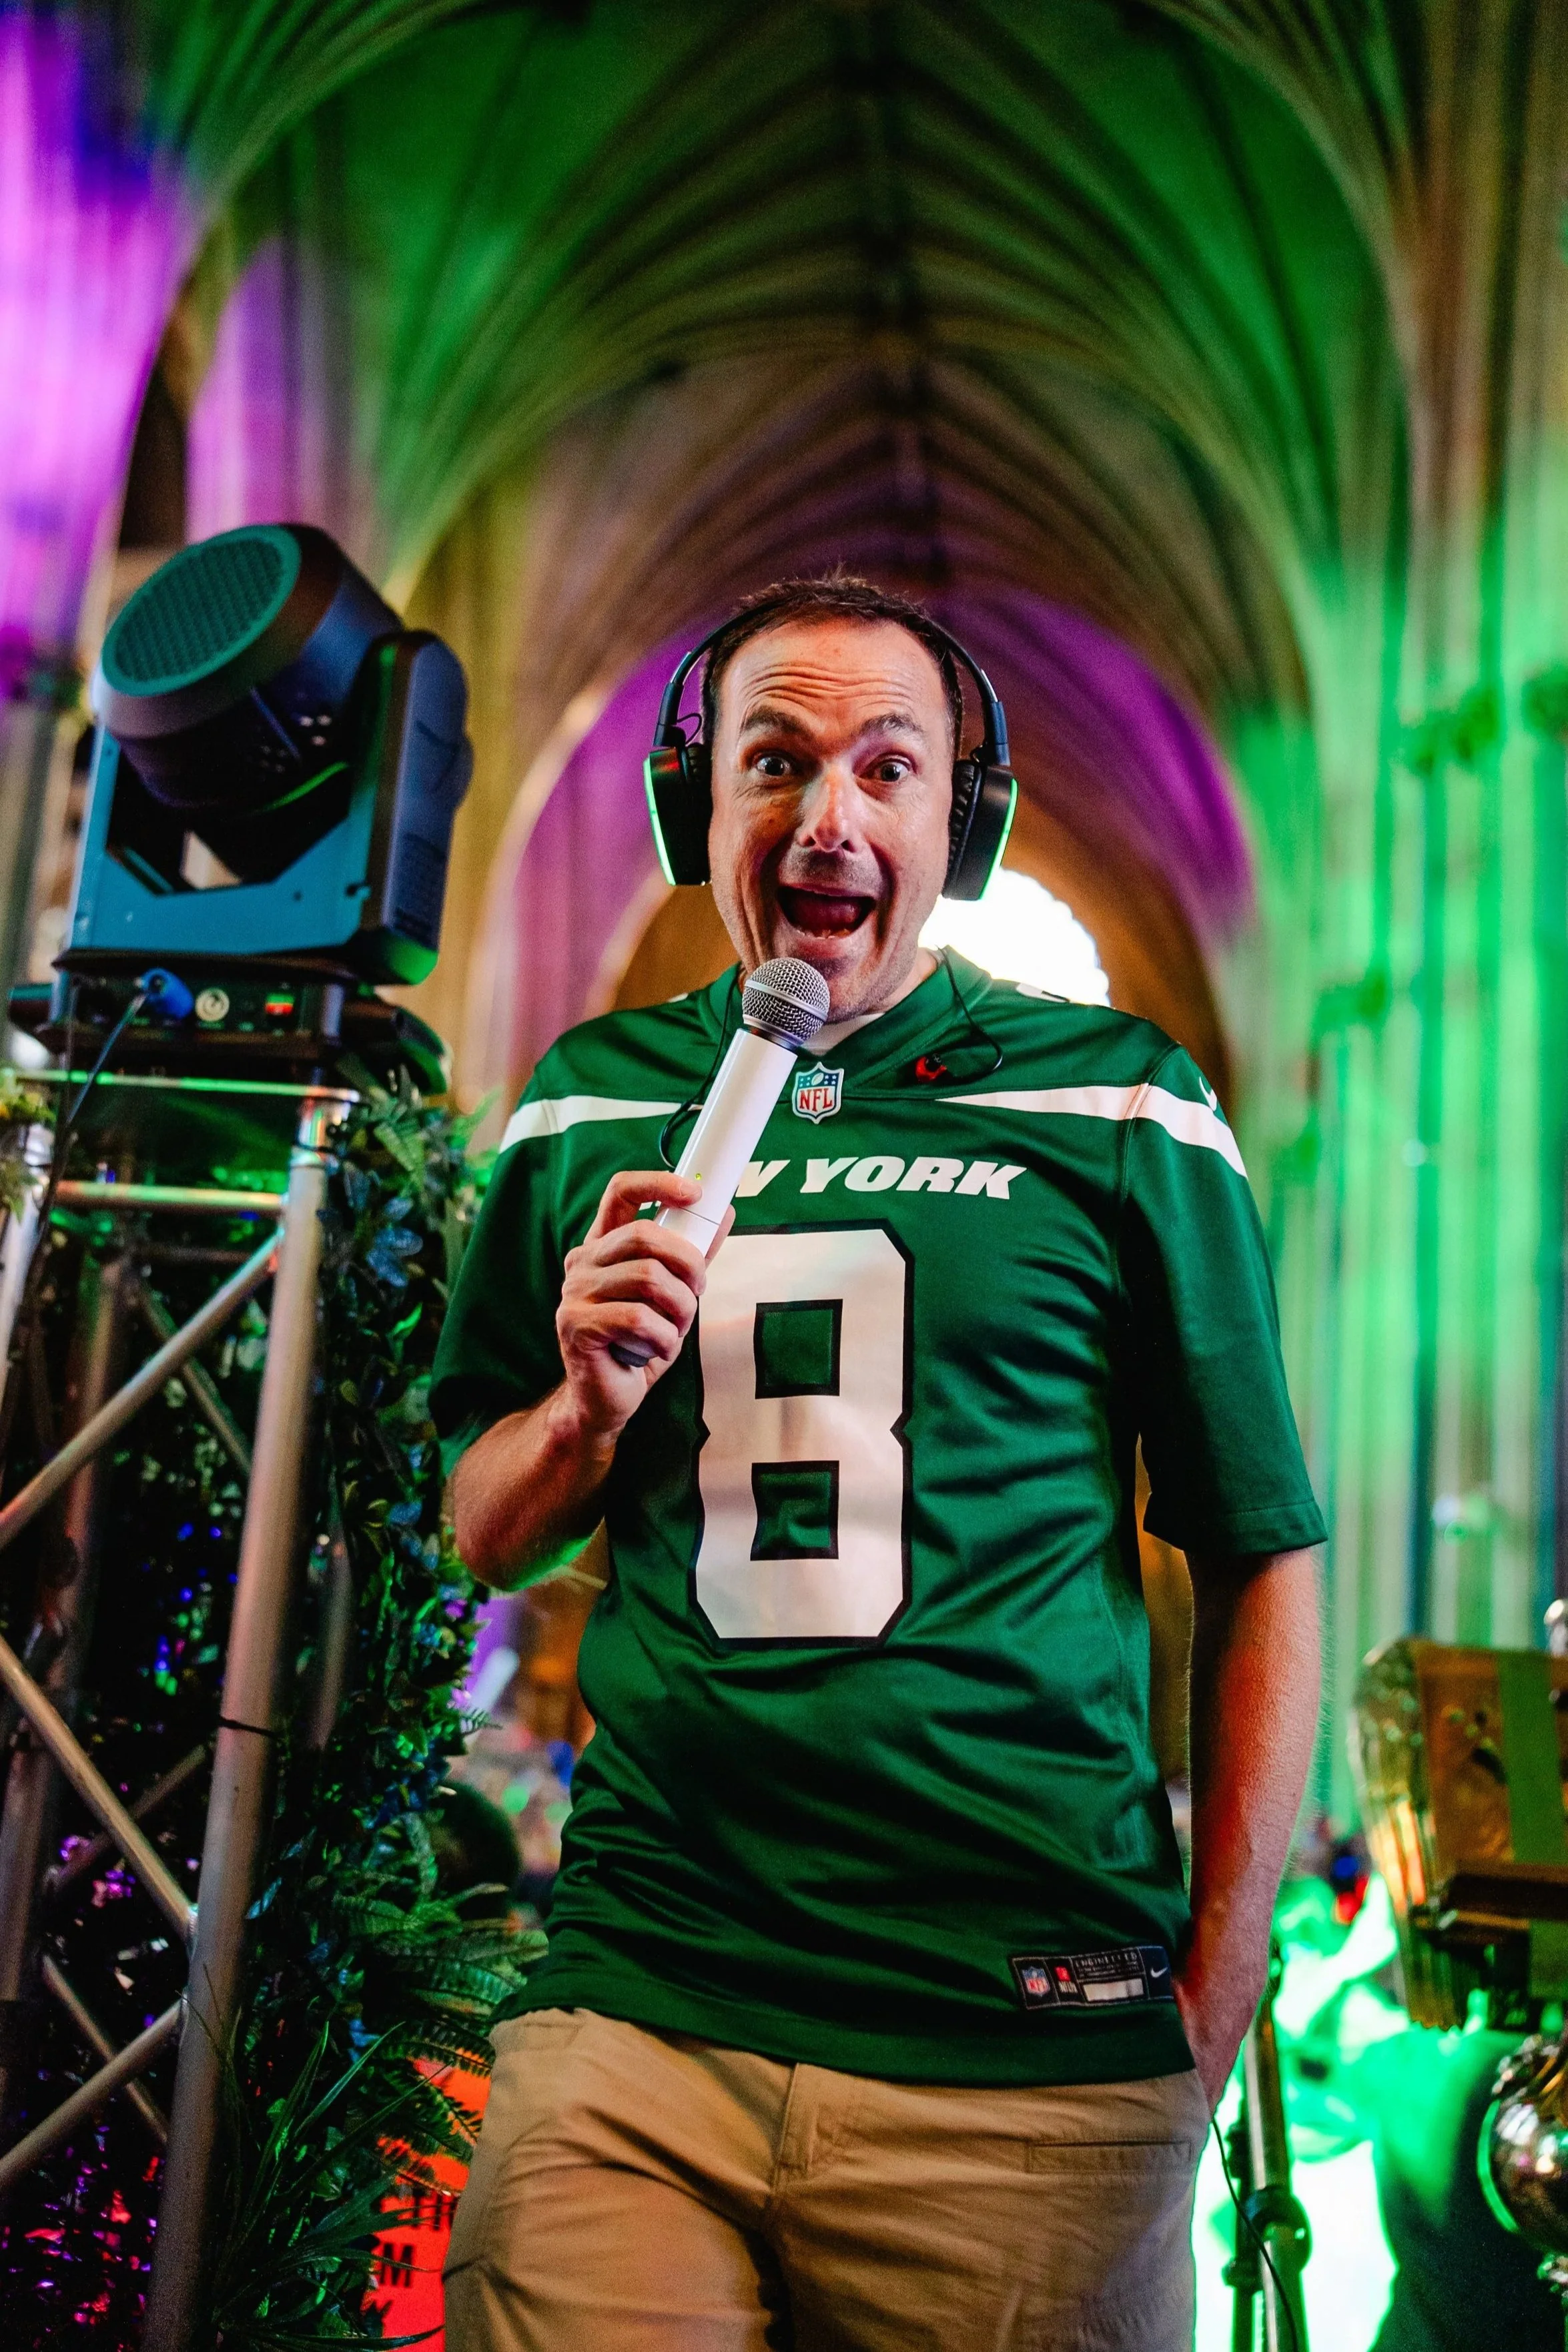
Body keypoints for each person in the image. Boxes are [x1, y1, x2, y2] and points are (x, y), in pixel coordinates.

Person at [432, 575, 1324, 2351]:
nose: (825, 815)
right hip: (645, 2004)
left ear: (956, 822)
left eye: (884, 768)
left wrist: (1199, 2028)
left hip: (1022, 2050)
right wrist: (578, 1415)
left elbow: (1261, 1549)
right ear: (702, 808)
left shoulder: (1120, 1104)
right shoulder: (581, 1103)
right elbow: (474, 1526)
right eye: (774, 762)